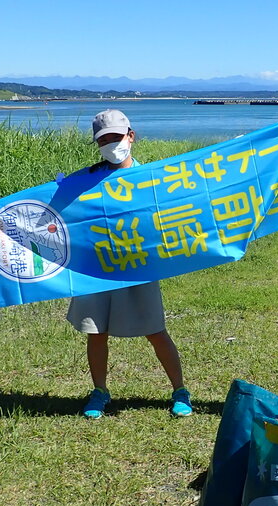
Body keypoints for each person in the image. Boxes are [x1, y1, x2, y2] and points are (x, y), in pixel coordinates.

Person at [66, 109, 192, 419]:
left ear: (131, 136)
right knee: (96, 331)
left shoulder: (150, 178)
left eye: (116, 137)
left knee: (155, 329)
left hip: (138, 266)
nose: (111, 145)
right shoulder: (83, 180)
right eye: (103, 140)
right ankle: (100, 391)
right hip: (95, 266)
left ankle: (180, 390)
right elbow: (46, 208)